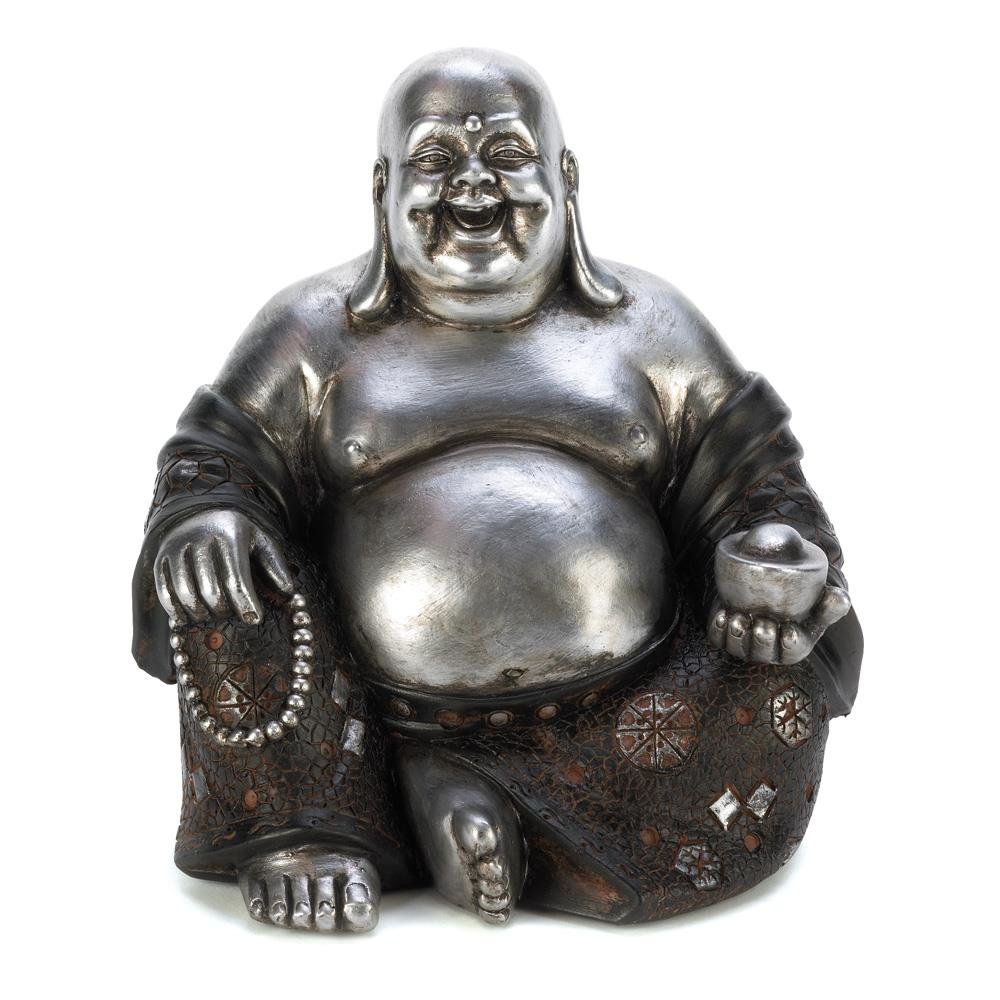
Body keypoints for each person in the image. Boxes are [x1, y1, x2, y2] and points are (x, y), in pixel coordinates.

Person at [132, 48, 862, 931]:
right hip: (359, 712)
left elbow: (758, 481)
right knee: (219, 570)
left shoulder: (651, 326)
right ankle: (317, 821)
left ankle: (465, 796)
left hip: (631, 718)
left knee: (776, 678)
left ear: (566, 177)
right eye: (435, 159)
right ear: (382, 188)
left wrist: (774, 561)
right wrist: (209, 512)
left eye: (507, 154)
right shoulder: (311, 332)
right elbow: (217, 457)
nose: (472, 184)